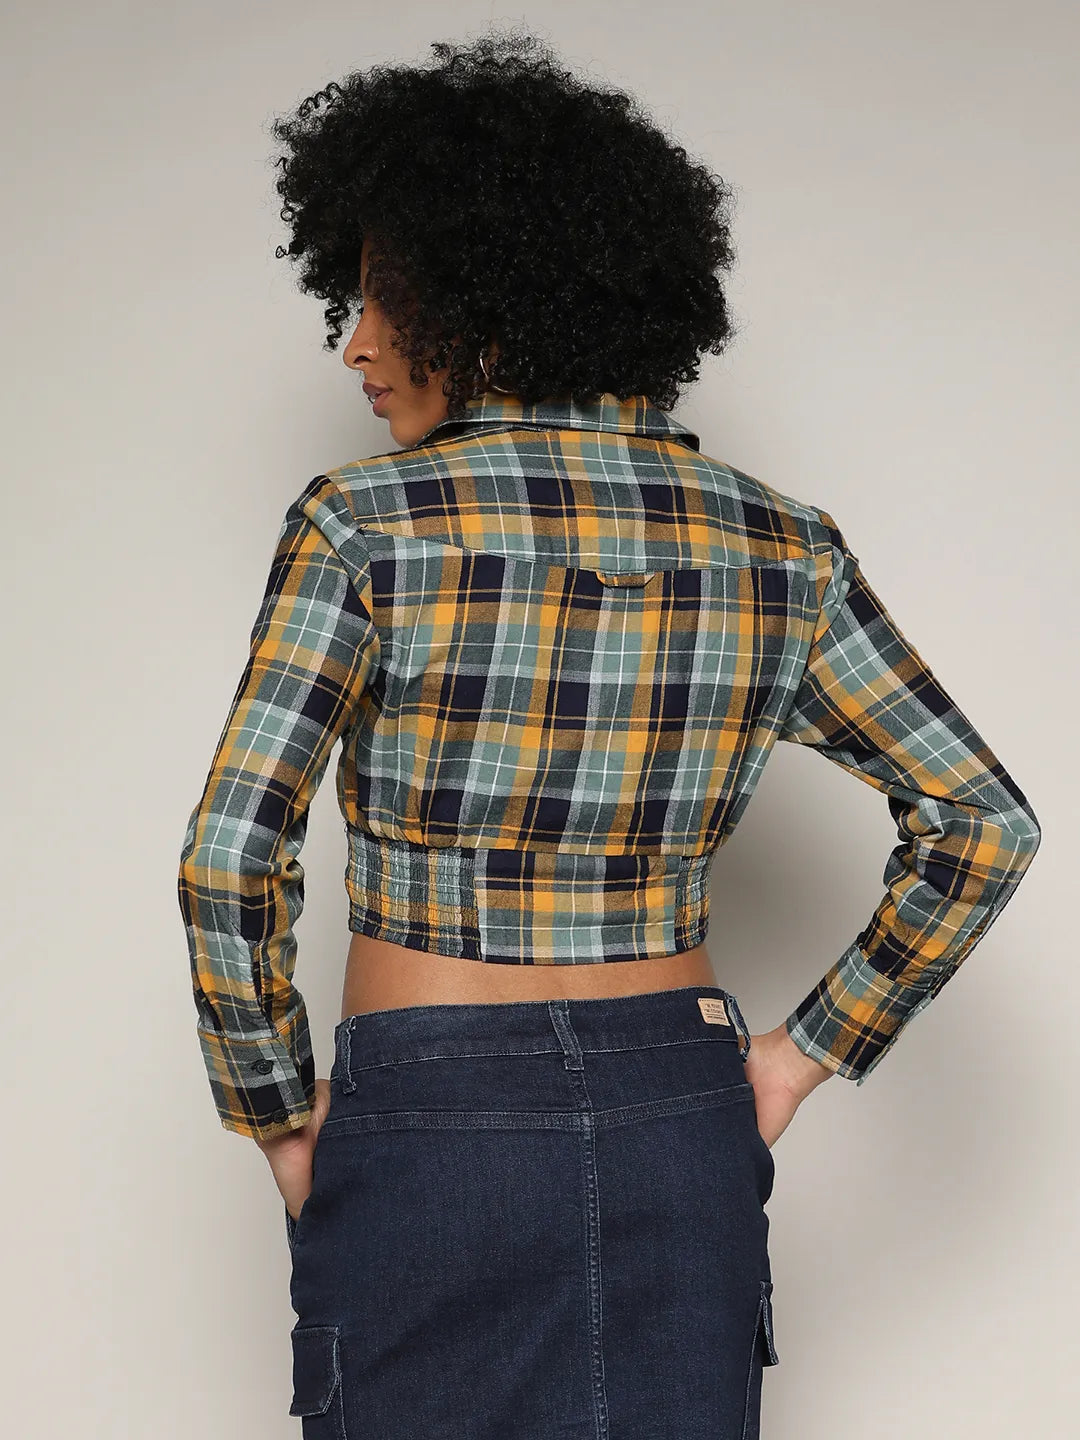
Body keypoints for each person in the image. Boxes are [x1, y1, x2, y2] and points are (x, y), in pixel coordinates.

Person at [177, 29, 1042, 1439]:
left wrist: (279, 1120)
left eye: (383, 294)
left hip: (433, 1114)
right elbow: (983, 823)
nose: (356, 342)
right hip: (679, 1112)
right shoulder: (781, 544)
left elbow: (229, 862)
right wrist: (793, 1059)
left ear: (487, 301)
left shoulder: (366, 524)